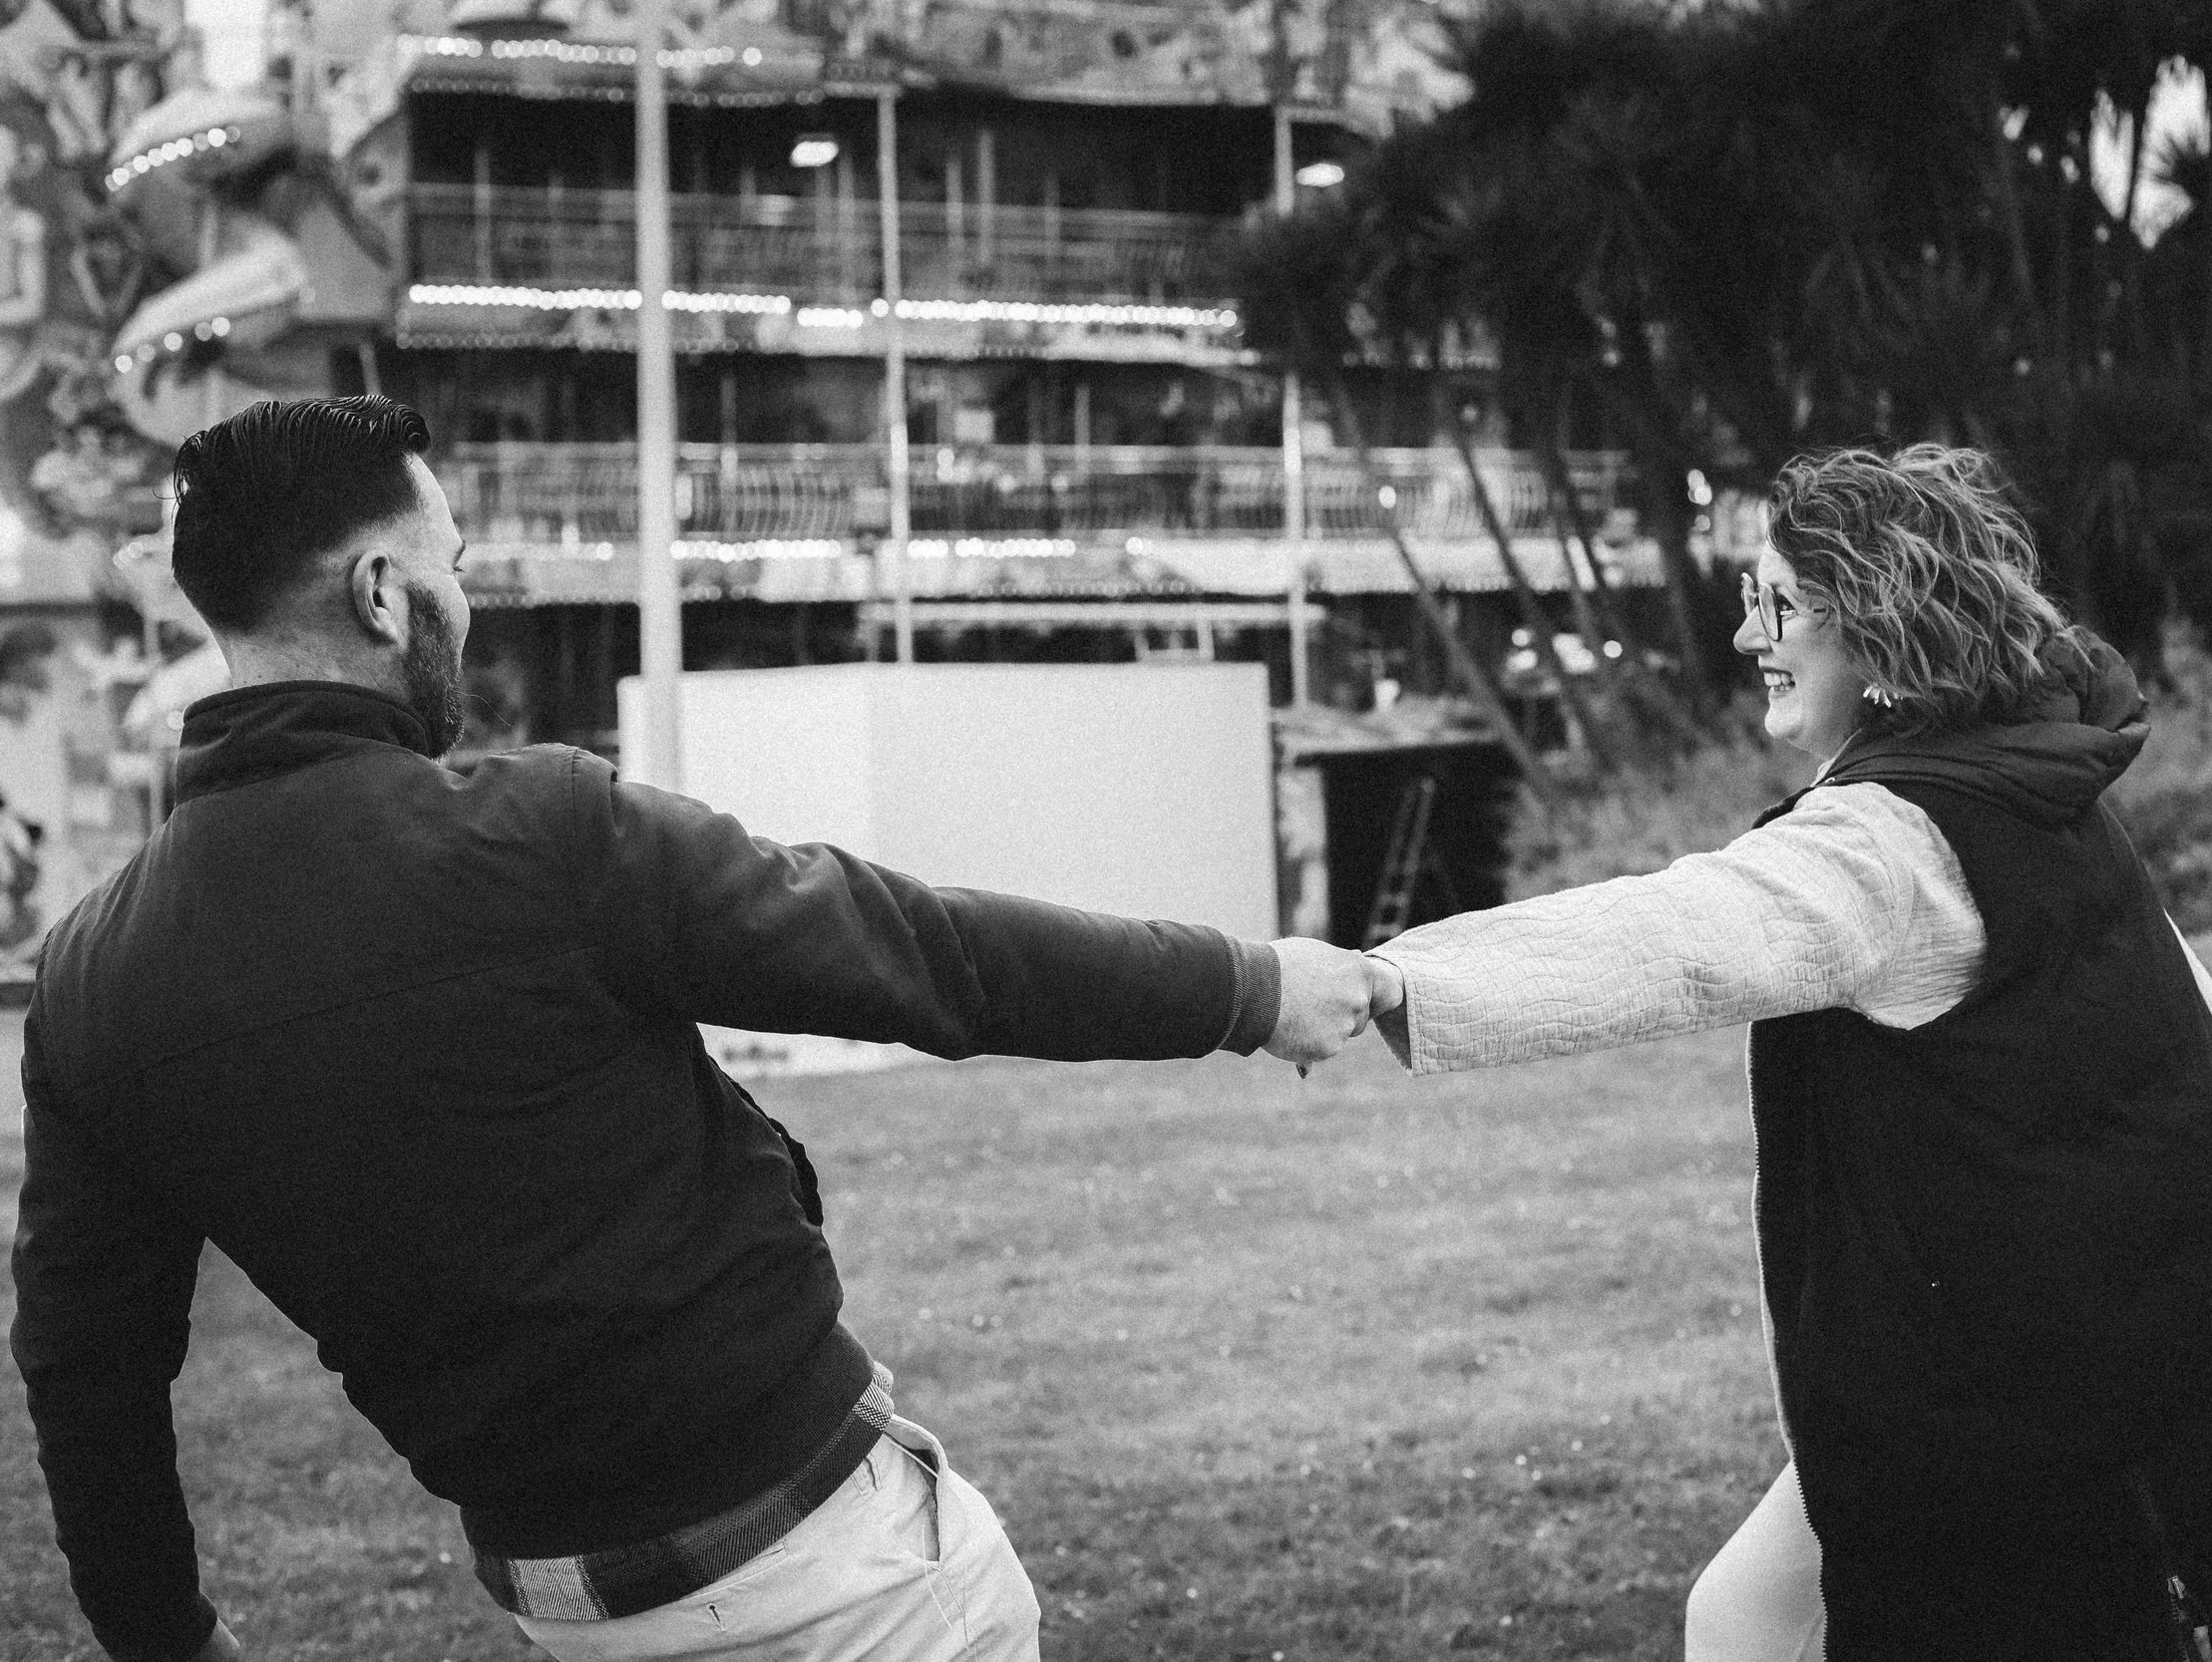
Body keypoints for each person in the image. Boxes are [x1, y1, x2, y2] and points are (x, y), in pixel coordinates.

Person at [10, 396, 1397, 1662]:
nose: (466, 605)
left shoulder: (91, 984)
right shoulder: (538, 831)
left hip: (570, 1607)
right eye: (457, 567)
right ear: (381, 592)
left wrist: (169, 1643)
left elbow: (88, 1375)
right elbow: (922, 954)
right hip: (850, 1589)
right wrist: (1251, 985)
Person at [1364, 445, 2212, 1661]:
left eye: (1781, 606)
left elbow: (1677, 934)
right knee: (1749, 1611)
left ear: (1872, 625)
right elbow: (2148, 940)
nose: (1752, 636)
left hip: (2029, 1370)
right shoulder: (2025, 763)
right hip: (2108, 1317)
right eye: (1747, 600)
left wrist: (1397, 979)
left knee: (1792, 1613)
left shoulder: (1888, 839)